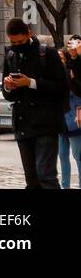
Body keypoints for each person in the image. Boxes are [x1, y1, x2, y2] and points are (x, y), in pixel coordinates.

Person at [2, 18, 69, 189]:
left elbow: (61, 87)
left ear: (29, 34)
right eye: (13, 42)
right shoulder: (10, 55)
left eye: (21, 41)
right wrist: (8, 87)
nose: (17, 45)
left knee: (45, 175)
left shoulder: (47, 53)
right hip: (23, 123)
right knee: (31, 179)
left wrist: (30, 83)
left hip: (46, 123)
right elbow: (8, 95)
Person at [58, 35, 81, 189]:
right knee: (62, 157)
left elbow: (79, 95)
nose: (58, 61)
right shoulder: (56, 77)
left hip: (74, 120)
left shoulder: (72, 74)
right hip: (60, 122)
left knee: (78, 156)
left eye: (61, 58)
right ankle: (64, 186)